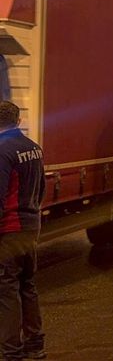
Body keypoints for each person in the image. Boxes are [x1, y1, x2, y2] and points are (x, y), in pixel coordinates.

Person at [0, 101, 46, 360]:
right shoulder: (34, 149)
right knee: (27, 285)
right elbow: (41, 190)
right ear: (18, 121)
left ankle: (11, 352)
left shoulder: (2, 151)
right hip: (30, 227)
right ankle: (35, 346)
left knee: (6, 292)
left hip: (9, 230)